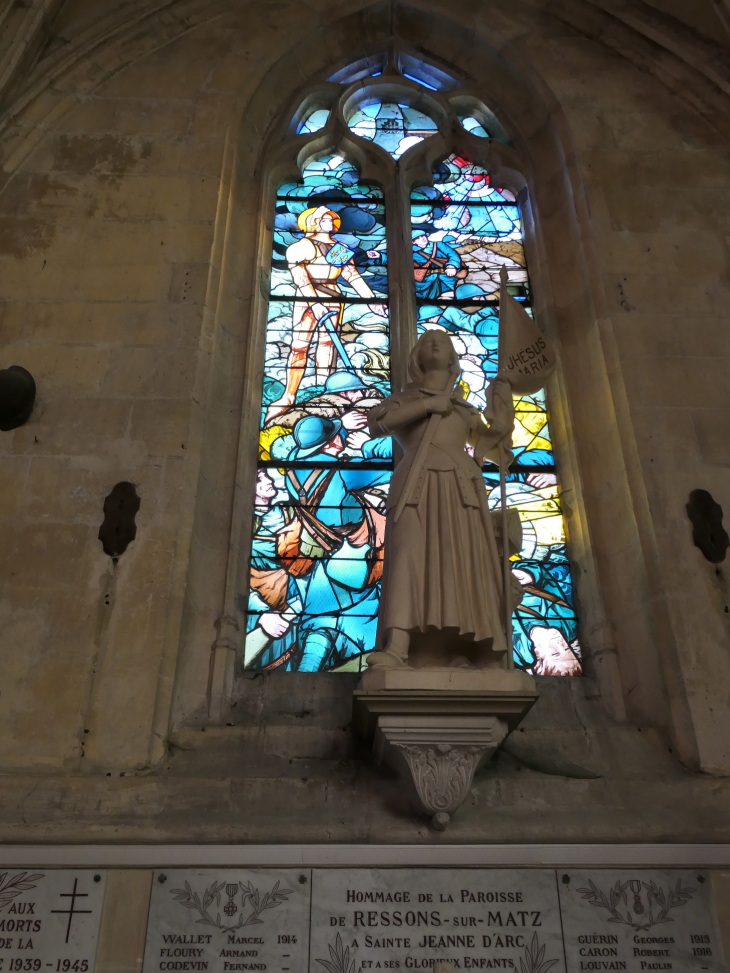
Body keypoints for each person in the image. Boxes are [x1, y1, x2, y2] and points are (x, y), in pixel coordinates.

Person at [366, 329, 517, 669]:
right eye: (427, 340)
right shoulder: (402, 399)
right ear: (416, 358)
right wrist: (427, 404)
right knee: (408, 557)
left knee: (464, 560)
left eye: (443, 341)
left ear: (453, 357)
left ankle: (479, 648)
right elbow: (378, 424)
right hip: (414, 485)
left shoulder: (463, 408)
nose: (435, 342)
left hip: (459, 487)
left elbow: (493, 442)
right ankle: (398, 647)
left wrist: (502, 404)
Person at [266, 206, 385, 421]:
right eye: (325, 219)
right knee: (299, 347)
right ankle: (289, 394)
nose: (331, 223)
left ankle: (325, 389)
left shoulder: (339, 247)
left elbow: (351, 275)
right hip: (307, 298)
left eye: (332, 219)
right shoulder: (300, 247)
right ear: (313, 222)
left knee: (328, 345)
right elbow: (301, 279)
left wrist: (371, 300)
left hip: (334, 297)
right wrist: (314, 302)